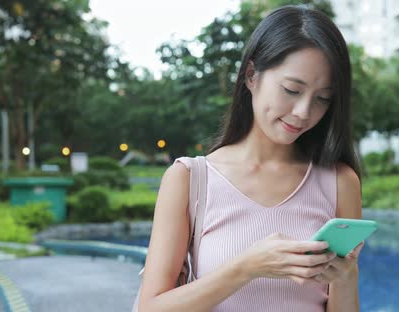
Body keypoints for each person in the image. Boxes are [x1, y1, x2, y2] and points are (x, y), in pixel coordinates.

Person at [138, 5, 364, 311]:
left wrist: (346, 277)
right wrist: (247, 266)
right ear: (251, 76)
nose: (303, 112)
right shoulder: (190, 180)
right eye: (291, 89)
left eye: (323, 98)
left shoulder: (339, 182)